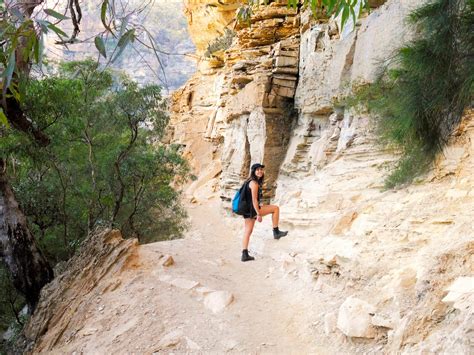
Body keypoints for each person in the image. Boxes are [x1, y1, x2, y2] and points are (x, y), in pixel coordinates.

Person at [241, 163, 288, 262]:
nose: (260, 171)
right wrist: (258, 213)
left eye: (261, 169)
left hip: (247, 210)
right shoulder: (254, 183)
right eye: (257, 170)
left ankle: (244, 254)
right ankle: (276, 232)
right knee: (275, 209)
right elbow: (254, 200)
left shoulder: (248, 181)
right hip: (253, 209)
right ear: (253, 171)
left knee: (247, 231)